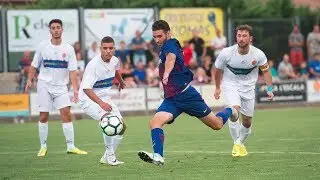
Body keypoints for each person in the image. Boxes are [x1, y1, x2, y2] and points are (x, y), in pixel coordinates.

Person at [138, 20, 238, 165]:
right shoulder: (164, 47)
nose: (157, 40)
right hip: (171, 99)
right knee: (155, 122)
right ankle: (158, 156)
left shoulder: (171, 44)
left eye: (159, 36)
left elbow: (171, 59)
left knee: (216, 124)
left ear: (168, 33)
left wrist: (166, 73)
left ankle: (230, 110)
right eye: (154, 37)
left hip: (187, 95)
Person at [25, 19, 87, 157]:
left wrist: (76, 90)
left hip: (61, 87)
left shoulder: (69, 49)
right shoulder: (42, 46)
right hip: (44, 85)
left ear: (62, 29)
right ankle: (43, 146)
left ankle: (71, 146)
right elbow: (34, 65)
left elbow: (72, 72)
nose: (56, 30)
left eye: (58, 27)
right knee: (43, 115)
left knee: (66, 114)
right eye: (53, 28)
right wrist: (29, 79)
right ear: (50, 30)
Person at [214, 24, 274, 157]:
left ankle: (240, 143)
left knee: (247, 122)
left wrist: (269, 89)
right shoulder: (226, 53)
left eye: (244, 36)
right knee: (234, 111)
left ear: (250, 38)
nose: (241, 38)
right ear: (236, 37)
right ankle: (236, 143)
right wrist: (218, 87)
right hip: (230, 85)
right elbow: (217, 70)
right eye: (239, 35)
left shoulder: (258, 54)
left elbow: (266, 71)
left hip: (248, 88)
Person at [79, 36, 127, 166]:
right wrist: (101, 103)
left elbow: (116, 69)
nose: (108, 51)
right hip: (88, 99)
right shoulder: (93, 65)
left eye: (111, 48)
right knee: (107, 119)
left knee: (122, 127)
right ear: (100, 49)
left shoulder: (115, 60)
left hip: (104, 98)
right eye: (105, 48)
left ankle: (105, 157)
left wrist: (121, 81)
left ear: (114, 49)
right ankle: (111, 156)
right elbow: (86, 89)